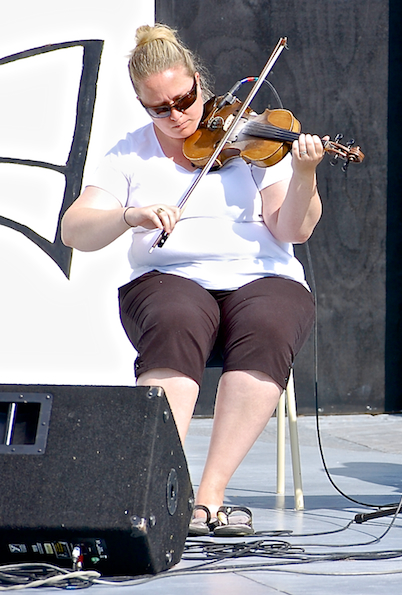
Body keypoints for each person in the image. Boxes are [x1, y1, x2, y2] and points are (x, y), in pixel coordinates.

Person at [61, 24, 324, 536]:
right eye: (161, 109)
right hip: (169, 276)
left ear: (201, 84)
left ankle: (209, 497)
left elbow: (294, 228)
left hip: (262, 275)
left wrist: (305, 175)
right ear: (142, 105)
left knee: (271, 323)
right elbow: (75, 230)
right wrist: (128, 217)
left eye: (185, 100)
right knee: (176, 317)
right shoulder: (130, 153)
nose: (178, 116)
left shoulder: (250, 137)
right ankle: (162, 489)